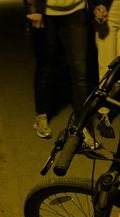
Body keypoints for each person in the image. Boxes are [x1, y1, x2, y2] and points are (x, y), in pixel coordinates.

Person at [24, 0, 101, 149]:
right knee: (46, 64)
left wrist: (97, 4)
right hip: (46, 11)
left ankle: (81, 127)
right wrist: (33, 8)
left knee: (79, 70)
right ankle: (41, 115)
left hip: (76, 11)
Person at [89, 0, 120, 138]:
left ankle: (100, 99)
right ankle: (103, 113)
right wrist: (95, 6)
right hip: (109, 13)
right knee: (106, 69)